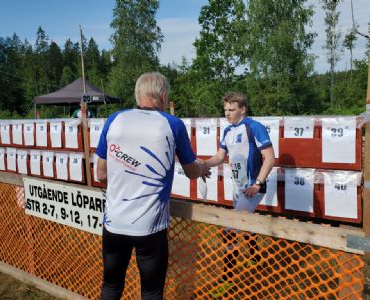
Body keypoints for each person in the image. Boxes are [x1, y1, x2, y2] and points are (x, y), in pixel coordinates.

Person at [96, 72, 210, 300]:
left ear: (137, 94)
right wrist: (203, 169)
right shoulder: (172, 123)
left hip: (114, 222)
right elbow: (191, 171)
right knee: (151, 292)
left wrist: (126, 183)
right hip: (150, 227)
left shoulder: (114, 119)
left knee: (110, 286)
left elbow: (100, 174)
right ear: (163, 95)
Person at [204, 92, 275, 293]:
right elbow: (219, 156)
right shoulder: (227, 130)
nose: (227, 113)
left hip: (253, 189)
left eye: (231, 110)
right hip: (238, 188)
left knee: (230, 232)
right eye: (225, 109)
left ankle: (227, 281)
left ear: (242, 109)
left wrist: (258, 184)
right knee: (245, 221)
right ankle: (255, 258)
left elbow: (269, 158)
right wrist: (202, 163)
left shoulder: (255, 127)